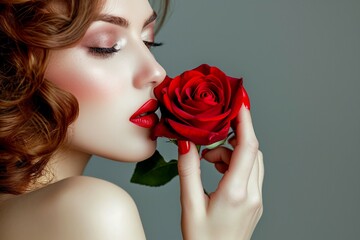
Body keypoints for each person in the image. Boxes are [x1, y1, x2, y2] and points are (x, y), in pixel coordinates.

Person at [0, 0, 264, 239]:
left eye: (148, 41)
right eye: (107, 46)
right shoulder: (90, 210)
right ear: (14, 61)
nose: (157, 71)